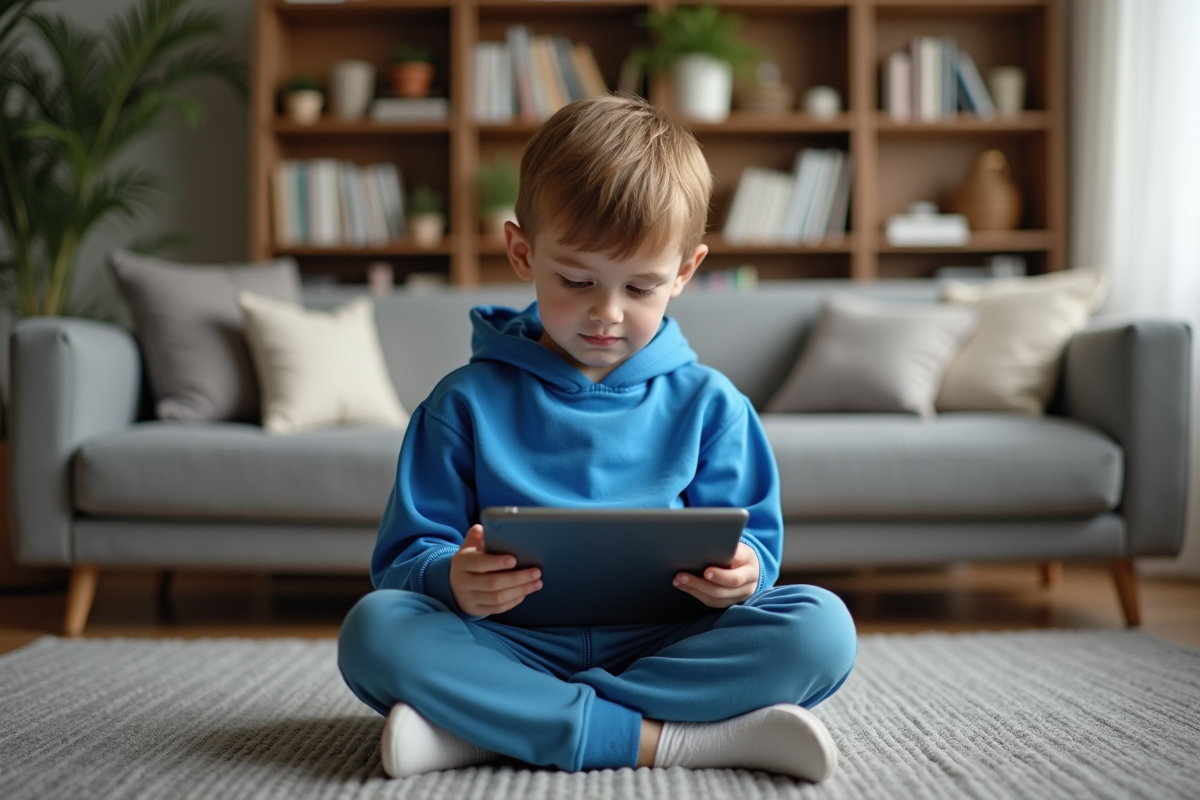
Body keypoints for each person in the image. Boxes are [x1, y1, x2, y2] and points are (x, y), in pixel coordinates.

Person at [337, 94, 857, 782]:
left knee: (822, 628)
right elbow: (405, 558)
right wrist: (450, 577)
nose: (607, 313)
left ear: (685, 272)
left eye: (641, 287)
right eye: (576, 279)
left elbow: (757, 549)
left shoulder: (712, 406)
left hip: (666, 643)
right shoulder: (460, 404)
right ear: (522, 251)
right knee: (375, 632)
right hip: (507, 642)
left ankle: (494, 729)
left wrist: (744, 574)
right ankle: (676, 740)